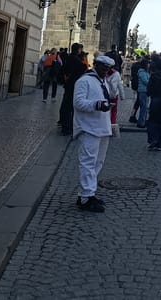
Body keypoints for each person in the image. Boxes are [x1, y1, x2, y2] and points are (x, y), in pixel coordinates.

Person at [73, 54, 115, 212]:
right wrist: (97, 105)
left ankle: (86, 193)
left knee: (98, 162)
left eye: (108, 69)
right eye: (104, 68)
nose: (106, 71)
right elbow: (78, 102)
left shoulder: (103, 81)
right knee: (88, 162)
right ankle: (86, 198)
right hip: (89, 127)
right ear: (96, 65)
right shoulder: (84, 81)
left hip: (102, 126)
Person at [59, 43, 87, 135]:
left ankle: (64, 124)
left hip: (68, 84)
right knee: (70, 106)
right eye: (80, 49)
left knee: (66, 105)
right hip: (73, 85)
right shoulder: (75, 59)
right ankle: (67, 127)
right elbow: (83, 67)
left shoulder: (68, 57)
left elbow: (63, 69)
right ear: (77, 50)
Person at [136, 58, 150, 128]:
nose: (149, 65)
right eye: (148, 63)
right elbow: (146, 81)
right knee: (143, 107)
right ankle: (141, 122)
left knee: (144, 107)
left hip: (145, 91)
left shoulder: (146, 72)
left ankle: (143, 121)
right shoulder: (142, 72)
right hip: (143, 91)